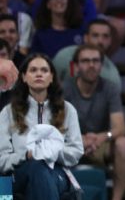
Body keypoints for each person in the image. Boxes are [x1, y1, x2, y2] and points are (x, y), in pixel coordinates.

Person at [0, 53, 83, 199]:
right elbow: (1, 160)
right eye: (33, 70)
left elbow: (76, 151)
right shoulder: (8, 111)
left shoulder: (68, 109)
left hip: (57, 172)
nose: (39, 74)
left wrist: (52, 152)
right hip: (16, 175)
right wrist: (27, 155)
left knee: (41, 174)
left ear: (51, 78)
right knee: (37, 168)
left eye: (44, 70)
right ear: (24, 77)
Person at [62, 45, 125, 200]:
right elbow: (57, 126)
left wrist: (102, 136)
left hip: (100, 144)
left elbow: (120, 128)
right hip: (71, 143)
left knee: (124, 145)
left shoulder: (110, 88)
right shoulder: (65, 88)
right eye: (85, 61)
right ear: (76, 65)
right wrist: (79, 139)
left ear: (101, 64)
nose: (91, 65)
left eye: (95, 61)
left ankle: (117, 198)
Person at [52, 18, 121, 87]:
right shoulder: (64, 56)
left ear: (110, 41)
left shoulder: (112, 76)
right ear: (86, 38)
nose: (100, 41)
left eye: (105, 36)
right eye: (95, 35)